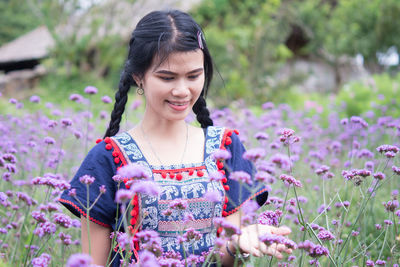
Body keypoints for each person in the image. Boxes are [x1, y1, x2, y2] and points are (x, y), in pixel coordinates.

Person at [59, 9, 293, 266]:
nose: (182, 90)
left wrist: (237, 245)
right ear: (138, 76)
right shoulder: (108, 157)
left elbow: (226, 260)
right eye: (167, 77)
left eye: (193, 76)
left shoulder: (225, 149)